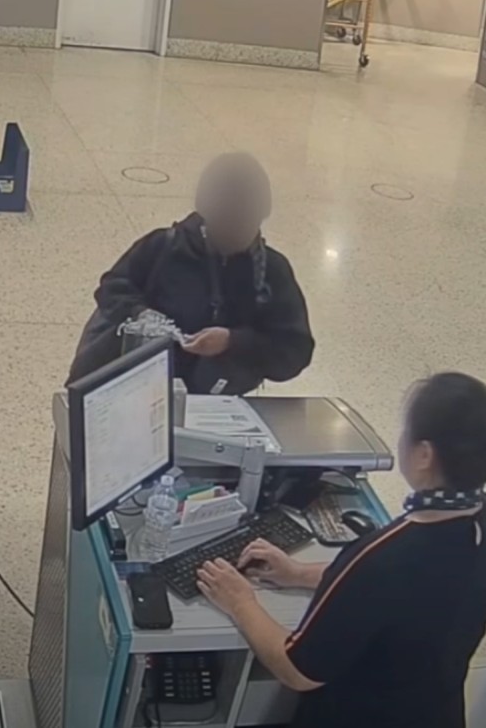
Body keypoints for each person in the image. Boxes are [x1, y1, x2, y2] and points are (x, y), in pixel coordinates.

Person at [198, 372, 486, 728]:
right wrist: (297, 573)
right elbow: (401, 597)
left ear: (424, 454)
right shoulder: (472, 523)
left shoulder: (385, 558)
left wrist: (239, 601)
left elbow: (297, 669)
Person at [68, 152, 314, 394]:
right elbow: (111, 288)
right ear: (206, 214)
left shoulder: (272, 271)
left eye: (247, 223)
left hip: (216, 403)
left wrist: (232, 341)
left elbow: (294, 351)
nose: (236, 232)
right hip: (139, 392)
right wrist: (142, 314)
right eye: (226, 221)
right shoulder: (162, 248)